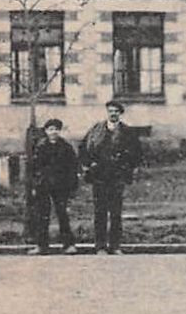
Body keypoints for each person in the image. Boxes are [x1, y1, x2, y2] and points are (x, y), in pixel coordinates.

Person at [81, 100, 142, 254]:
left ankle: (115, 246)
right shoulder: (96, 130)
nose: (113, 113)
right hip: (100, 176)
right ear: (107, 112)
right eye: (110, 111)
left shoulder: (127, 132)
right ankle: (100, 246)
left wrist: (127, 168)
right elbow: (83, 149)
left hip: (117, 176)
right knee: (100, 212)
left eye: (116, 111)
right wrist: (89, 165)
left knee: (115, 213)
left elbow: (136, 153)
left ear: (120, 113)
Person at [30, 118, 79, 255]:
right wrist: (36, 184)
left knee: (62, 214)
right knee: (43, 215)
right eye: (50, 129)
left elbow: (72, 167)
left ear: (59, 131)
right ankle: (42, 246)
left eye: (56, 129)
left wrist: (71, 185)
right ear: (46, 131)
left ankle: (68, 244)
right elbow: (34, 168)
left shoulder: (66, 147)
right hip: (44, 186)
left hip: (61, 186)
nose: (53, 132)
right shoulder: (40, 147)